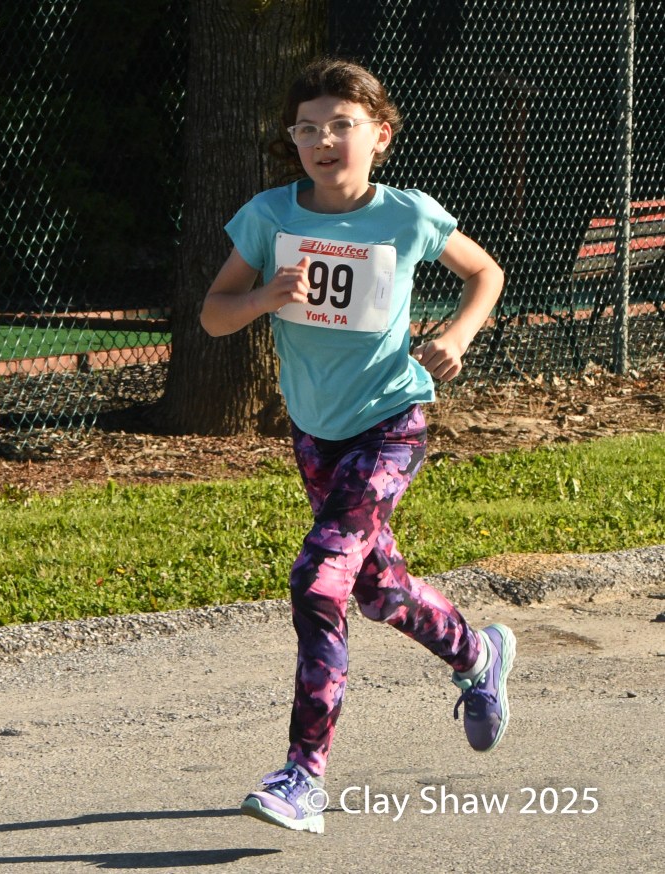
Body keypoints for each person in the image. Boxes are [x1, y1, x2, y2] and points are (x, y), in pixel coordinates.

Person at [200, 57, 515, 835]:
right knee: (376, 592)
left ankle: (302, 777)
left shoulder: (407, 216)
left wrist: (456, 337)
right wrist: (264, 296)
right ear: (292, 140)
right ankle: (477, 655)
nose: (322, 140)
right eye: (307, 127)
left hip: (391, 423)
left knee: (318, 581)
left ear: (379, 134)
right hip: (317, 437)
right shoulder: (270, 217)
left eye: (341, 124)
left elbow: (485, 273)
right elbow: (213, 314)